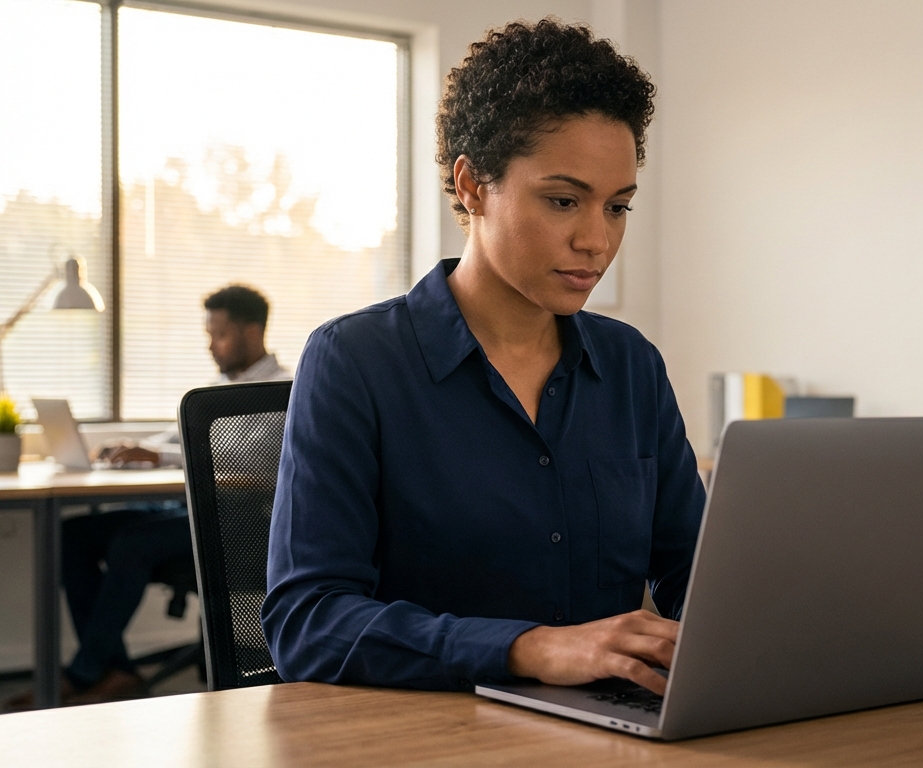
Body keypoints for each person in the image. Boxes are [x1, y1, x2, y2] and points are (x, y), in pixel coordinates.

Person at [263, 19, 704, 697]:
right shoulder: (355, 362)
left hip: (612, 736)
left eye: (618, 207)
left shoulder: (632, 367)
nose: (597, 239)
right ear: (472, 185)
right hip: (433, 736)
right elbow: (308, 623)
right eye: (564, 201)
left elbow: (697, 581)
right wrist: (529, 649)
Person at [4, 285, 289, 710]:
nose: (211, 345)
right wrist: (132, 445)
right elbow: (180, 436)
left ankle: (83, 675)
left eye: (220, 335)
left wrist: (156, 453)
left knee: (131, 543)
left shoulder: (280, 389)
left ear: (252, 331)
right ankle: (115, 670)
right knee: (73, 535)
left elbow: (249, 462)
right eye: (208, 334)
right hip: (188, 508)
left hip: (238, 522)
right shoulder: (221, 383)